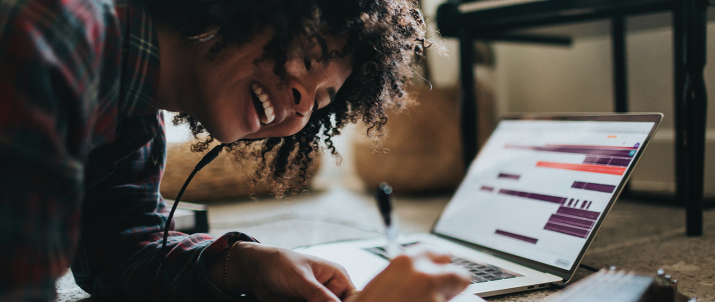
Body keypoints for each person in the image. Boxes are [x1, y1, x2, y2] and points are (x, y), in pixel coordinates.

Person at [0, 0, 471, 301]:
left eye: (321, 102)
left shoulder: (136, 109)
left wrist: (244, 265)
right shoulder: (60, 37)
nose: (302, 103)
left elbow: (117, 249)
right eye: (306, 59)